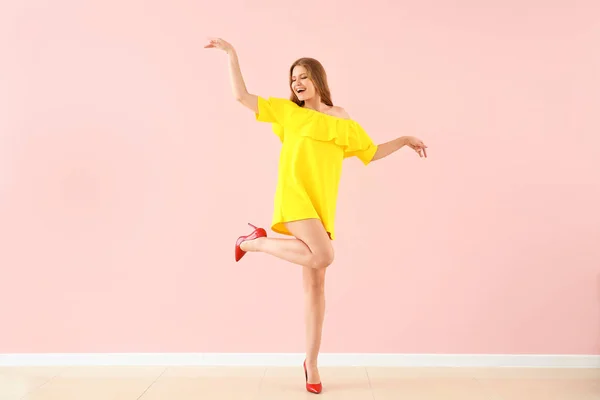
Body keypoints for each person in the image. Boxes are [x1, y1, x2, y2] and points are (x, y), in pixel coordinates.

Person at [205, 37, 427, 394]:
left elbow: (370, 152)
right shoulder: (288, 113)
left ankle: (311, 363)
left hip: (321, 206)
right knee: (325, 255)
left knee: (315, 284)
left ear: (318, 81)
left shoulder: (341, 119)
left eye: (304, 76)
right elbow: (242, 97)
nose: (297, 82)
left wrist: (402, 140)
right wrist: (232, 55)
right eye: (294, 78)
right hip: (294, 198)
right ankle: (255, 242)